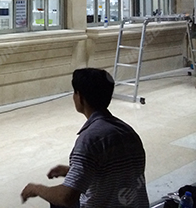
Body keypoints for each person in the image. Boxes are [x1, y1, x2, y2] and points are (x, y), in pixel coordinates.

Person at [20, 68, 149, 207]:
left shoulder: (90, 140)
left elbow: (66, 198)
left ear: (80, 97)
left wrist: (36, 189)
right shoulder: (128, 131)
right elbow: (113, 175)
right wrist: (70, 171)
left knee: (57, 202)